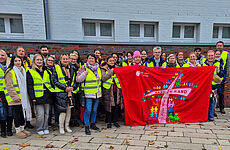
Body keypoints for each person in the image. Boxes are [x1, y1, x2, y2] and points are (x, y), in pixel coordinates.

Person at [76, 54, 113, 135]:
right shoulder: (83, 67)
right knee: (88, 110)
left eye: (92, 58)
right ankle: (86, 126)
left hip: (97, 93)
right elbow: (78, 79)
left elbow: (101, 79)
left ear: (95, 60)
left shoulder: (98, 68)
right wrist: (84, 74)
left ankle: (93, 124)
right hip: (88, 93)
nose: (91, 60)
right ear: (87, 59)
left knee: (94, 110)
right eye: (89, 58)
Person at [27, 54, 54, 135]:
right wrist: (32, 97)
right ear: (34, 61)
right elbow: (29, 85)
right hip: (38, 96)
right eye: (37, 60)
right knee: (40, 115)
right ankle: (39, 128)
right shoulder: (30, 71)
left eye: (41, 60)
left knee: (47, 114)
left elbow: (50, 83)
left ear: (43, 61)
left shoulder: (47, 71)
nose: (39, 61)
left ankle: (45, 127)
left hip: (47, 95)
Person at [5, 56, 31, 138]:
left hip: (23, 97)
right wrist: (15, 96)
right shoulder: (10, 71)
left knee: (22, 113)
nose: (18, 62)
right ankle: (17, 130)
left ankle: (22, 128)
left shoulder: (23, 70)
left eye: (19, 60)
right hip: (15, 98)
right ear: (12, 62)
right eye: (15, 61)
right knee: (17, 114)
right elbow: (9, 85)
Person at [52, 54, 77, 134]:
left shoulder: (72, 68)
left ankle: (67, 126)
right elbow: (55, 80)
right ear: (60, 60)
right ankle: (61, 127)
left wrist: (73, 87)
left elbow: (75, 80)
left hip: (70, 92)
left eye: (67, 59)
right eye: (64, 59)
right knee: (62, 111)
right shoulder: (56, 68)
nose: (65, 60)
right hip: (61, 92)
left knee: (69, 110)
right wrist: (64, 88)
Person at [100, 56, 123, 128]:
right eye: (110, 61)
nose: (112, 62)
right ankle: (109, 121)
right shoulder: (103, 69)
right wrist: (111, 72)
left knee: (116, 106)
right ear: (107, 62)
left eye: (113, 61)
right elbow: (103, 78)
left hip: (116, 89)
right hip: (108, 90)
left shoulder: (117, 68)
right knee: (108, 106)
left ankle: (115, 121)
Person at [203, 50, 224, 121]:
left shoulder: (218, 63)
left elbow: (222, 74)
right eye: (209, 56)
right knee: (205, 101)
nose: (210, 57)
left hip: (214, 86)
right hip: (205, 85)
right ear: (207, 56)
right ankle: (205, 115)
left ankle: (211, 116)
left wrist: (218, 70)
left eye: (212, 55)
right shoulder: (203, 63)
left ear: (214, 55)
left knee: (212, 101)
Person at [16, 47, 34, 128]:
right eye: (19, 51)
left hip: (27, 84)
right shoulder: (14, 61)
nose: (21, 52)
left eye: (23, 51)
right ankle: (21, 123)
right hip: (19, 86)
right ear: (16, 52)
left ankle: (28, 121)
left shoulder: (28, 61)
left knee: (28, 104)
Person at [0, 50, 13, 138]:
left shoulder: (10, 67)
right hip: (0, 93)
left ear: (6, 56)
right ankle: (3, 130)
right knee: (2, 113)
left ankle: (9, 129)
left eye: (2, 55)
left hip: (10, 92)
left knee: (10, 112)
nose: (1, 57)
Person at [216, 41, 230, 114]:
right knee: (214, 93)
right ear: (216, 46)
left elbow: (228, 65)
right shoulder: (213, 54)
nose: (219, 47)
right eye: (218, 45)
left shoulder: (226, 54)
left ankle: (222, 107)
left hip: (222, 76)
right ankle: (214, 108)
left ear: (223, 47)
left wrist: (227, 76)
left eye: (220, 45)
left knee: (221, 93)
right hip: (214, 76)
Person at [45, 56, 59, 126]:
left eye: (52, 61)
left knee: (56, 108)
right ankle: (49, 122)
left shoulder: (55, 69)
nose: (50, 62)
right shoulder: (45, 70)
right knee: (49, 109)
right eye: (49, 60)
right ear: (46, 62)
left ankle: (56, 121)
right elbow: (46, 82)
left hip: (56, 91)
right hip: (49, 92)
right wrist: (52, 90)